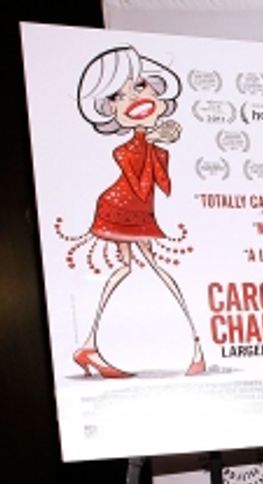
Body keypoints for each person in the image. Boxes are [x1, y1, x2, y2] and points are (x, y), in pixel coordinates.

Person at [69, 45, 202, 378]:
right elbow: (142, 182)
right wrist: (153, 139)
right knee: (150, 269)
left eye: (139, 86)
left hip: (134, 209)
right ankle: (195, 347)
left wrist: (157, 142)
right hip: (120, 208)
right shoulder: (126, 148)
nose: (134, 97)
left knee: (134, 269)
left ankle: (89, 346)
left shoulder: (145, 142)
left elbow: (161, 184)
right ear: (109, 108)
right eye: (118, 94)